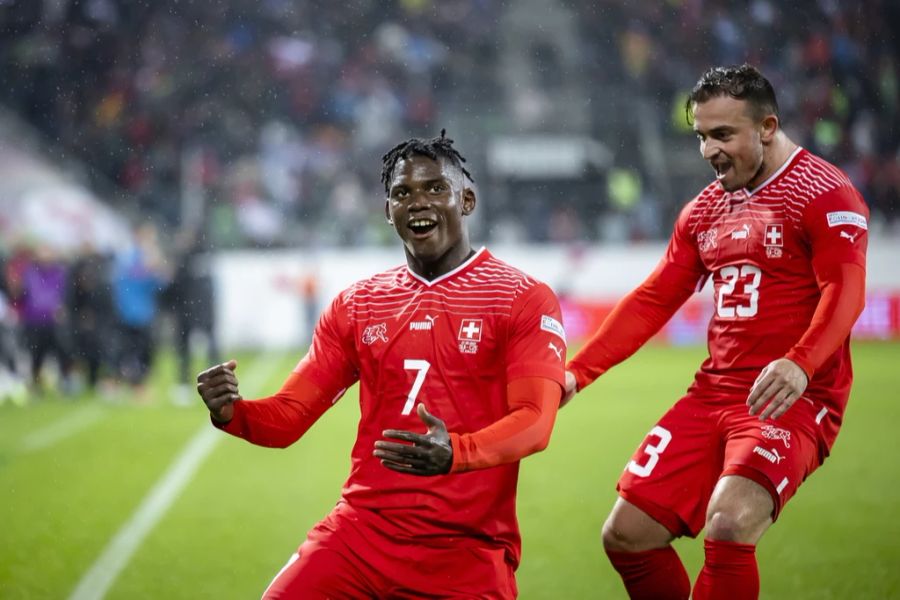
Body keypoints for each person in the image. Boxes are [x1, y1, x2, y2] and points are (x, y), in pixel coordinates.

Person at [197, 131, 566, 599]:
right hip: (361, 536)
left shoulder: (520, 297)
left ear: (467, 200)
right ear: (387, 211)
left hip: (466, 549)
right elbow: (289, 417)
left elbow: (536, 422)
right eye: (402, 193)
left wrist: (457, 452)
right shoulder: (358, 304)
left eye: (435, 188)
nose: (418, 202)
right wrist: (233, 412)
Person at [564, 64, 868, 599]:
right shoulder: (705, 209)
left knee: (729, 525)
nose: (708, 150)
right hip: (713, 393)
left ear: (767, 127)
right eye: (702, 135)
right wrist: (576, 373)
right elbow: (655, 299)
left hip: (793, 398)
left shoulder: (825, 193)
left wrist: (800, 361)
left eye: (723, 134)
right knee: (627, 536)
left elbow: (845, 293)